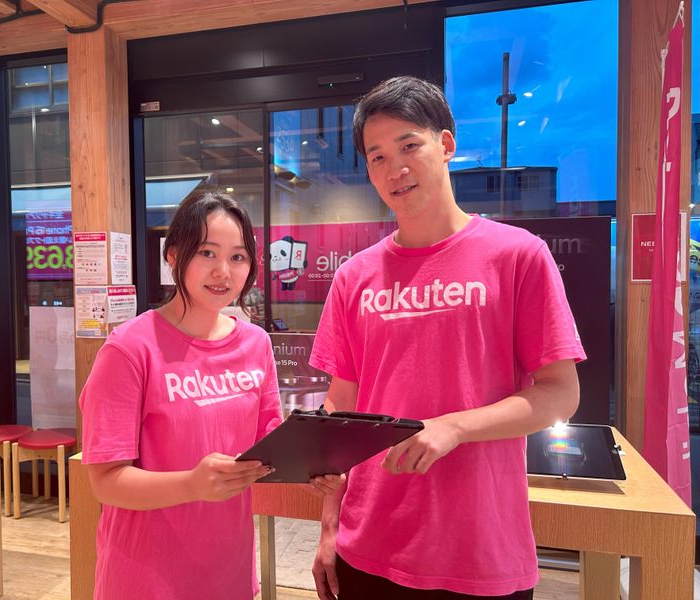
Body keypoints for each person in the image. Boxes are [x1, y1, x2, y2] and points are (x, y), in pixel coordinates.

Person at [309, 76, 586, 600]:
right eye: (377, 157)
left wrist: (453, 427)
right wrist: (329, 526)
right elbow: (342, 407)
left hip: (478, 552)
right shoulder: (354, 277)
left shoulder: (517, 256)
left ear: (446, 144)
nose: (395, 168)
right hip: (367, 548)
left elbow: (560, 393)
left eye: (409, 146)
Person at [80, 190, 340, 599]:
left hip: (227, 570)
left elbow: (268, 444)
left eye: (238, 257)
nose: (223, 271)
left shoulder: (255, 343)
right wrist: (192, 484)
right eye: (206, 252)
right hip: (145, 577)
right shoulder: (130, 349)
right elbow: (105, 481)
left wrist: (312, 465)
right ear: (173, 255)